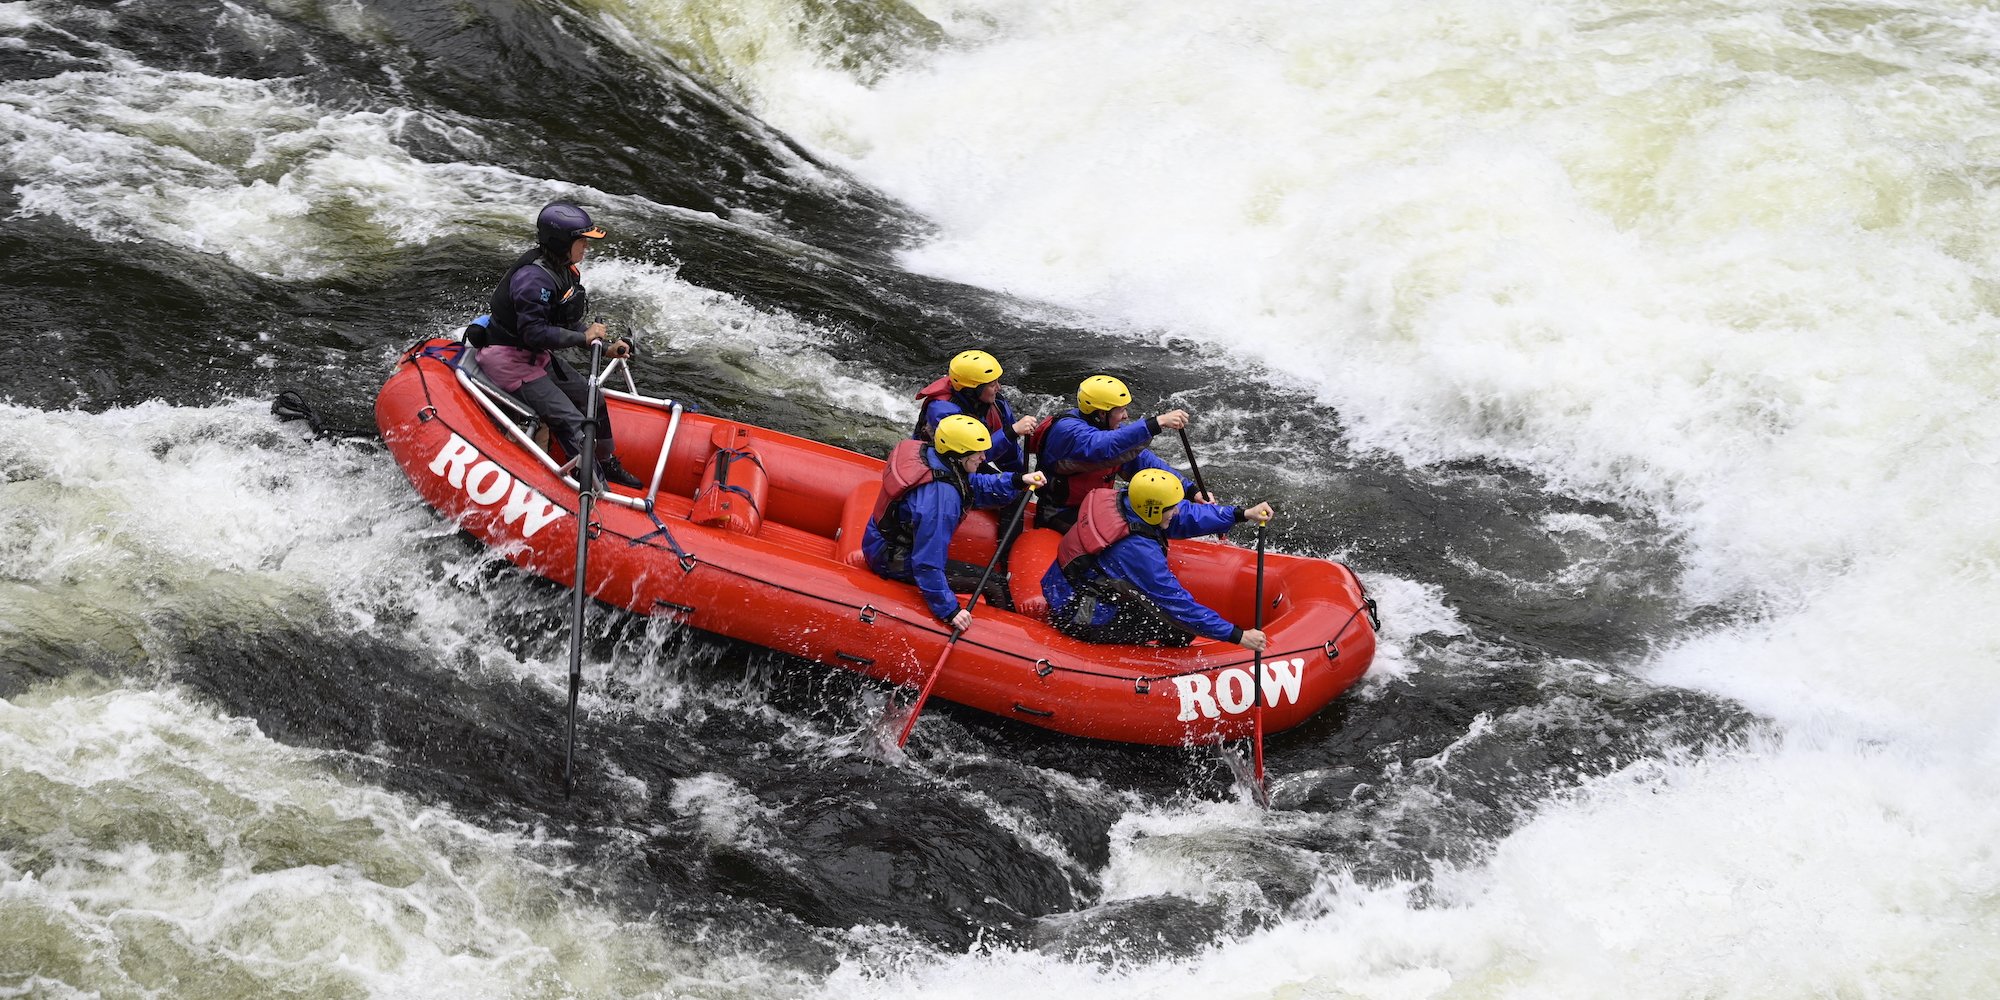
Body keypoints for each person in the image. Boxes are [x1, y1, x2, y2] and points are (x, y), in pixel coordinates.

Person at [469, 200, 643, 488]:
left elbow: (561, 323)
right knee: (574, 423)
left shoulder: (563, 270)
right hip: (510, 360)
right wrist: (583, 337)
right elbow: (534, 334)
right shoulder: (532, 279)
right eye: (582, 241)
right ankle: (593, 487)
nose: (586, 246)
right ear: (562, 242)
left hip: (534, 356)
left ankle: (604, 462)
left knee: (594, 400)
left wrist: (602, 345)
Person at [1041, 470, 1274, 649]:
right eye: (1171, 508)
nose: (1177, 511)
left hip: (1071, 590)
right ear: (1153, 511)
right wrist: (1238, 636)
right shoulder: (1135, 551)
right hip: (1080, 615)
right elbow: (1176, 603)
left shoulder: (1131, 503)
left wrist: (1241, 514)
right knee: (1179, 630)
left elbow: (1188, 514)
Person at [864, 415, 1048, 629]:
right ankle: (1009, 635)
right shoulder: (940, 499)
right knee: (995, 583)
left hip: (882, 542)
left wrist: (1016, 480)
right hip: (893, 559)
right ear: (958, 455)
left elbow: (972, 485)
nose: (983, 457)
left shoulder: (936, 456)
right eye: (977, 452)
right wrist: (949, 610)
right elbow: (926, 561)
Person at [1029, 374, 1204, 531]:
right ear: (1102, 413)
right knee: (1133, 529)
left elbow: (1144, 463)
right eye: (1121, 410)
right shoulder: (1068, 432)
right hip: (1060, 514)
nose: (1126, 416)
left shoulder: (1105, 429)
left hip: (1092, 508)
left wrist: (1190, 490)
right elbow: (1102, 448)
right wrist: (1156, 423)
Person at [912, 350, 1039, 473]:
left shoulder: (997, 402)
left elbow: (1009, 452)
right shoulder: (942, 411)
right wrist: (1012, 431)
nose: (998, 388)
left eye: (997, 382)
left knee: (1014, 490)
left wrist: (1020, 477)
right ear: (971, 390)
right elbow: (971, 455)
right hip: (942, 465)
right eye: (992, 384)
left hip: (969, 462)